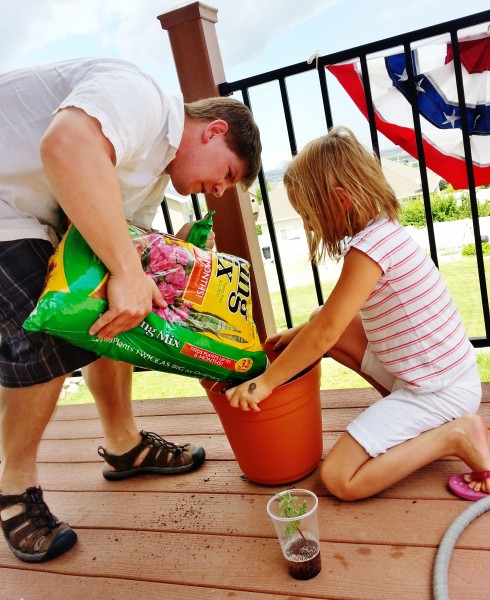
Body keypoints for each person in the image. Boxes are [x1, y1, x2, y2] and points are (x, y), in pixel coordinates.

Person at [0, 57, 262, 563]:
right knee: (47, 335)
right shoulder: (142, 98)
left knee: (121, 313)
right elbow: (67, 144)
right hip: (6, 209)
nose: (218, 191)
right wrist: (126, 270)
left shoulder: (153, 180)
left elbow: (122, 251)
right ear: (214, 131)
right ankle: (13, 487)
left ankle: (125, 445)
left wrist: (162, 264)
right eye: (227, 175)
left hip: (27, 209)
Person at [225, 126, 490, 503]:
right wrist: (300, 331)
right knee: (321, 317)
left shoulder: (367, 252)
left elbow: (328, 331)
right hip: (442, 378)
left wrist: (266, 382)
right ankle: (422, 424)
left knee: (339, 479)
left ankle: (453, 435)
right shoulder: (384, 232)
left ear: (340, 201)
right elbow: (328, 320)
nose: (309, 225)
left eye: (309, 214)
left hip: (438, 393)